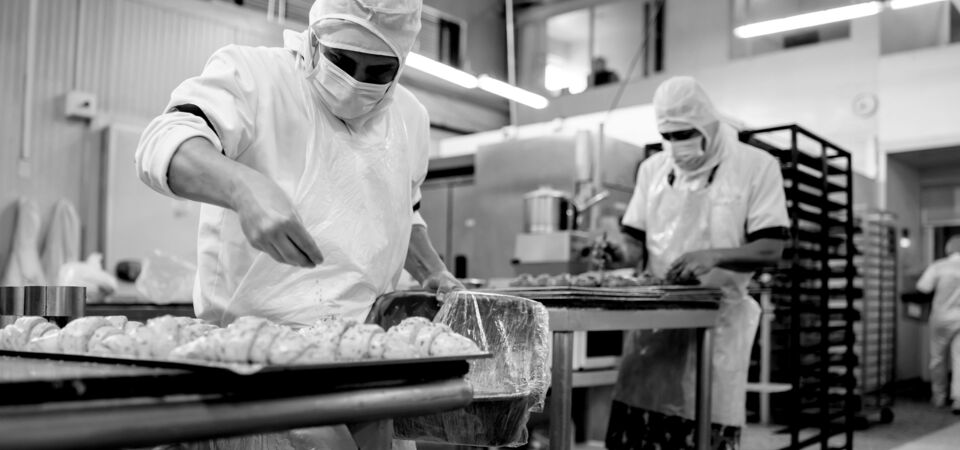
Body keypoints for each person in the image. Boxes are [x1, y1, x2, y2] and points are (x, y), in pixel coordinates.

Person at [136, 0, 458, 447]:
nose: (355, 83)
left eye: (378, 72)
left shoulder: (411, 118)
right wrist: (242, 187)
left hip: (366, 358)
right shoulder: (253, 77)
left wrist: (433, 271)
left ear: (402, 63)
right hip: (255, 366)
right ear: (313, 39)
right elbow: (162, 143)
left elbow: (404, 209)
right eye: (342, 61)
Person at [605, 76, 789, 450]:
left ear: (708, 123)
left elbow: (771, 248)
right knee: (643, 426)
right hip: (654, 327)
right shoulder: (653, 169)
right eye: (668, 135)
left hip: (717, 323)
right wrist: (616, 252)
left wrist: (713, 255)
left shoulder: (756, 166)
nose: (676, 144)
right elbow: (634, 244)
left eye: (684, 133)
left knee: (706, 428)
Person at [916, 236, 960, 414]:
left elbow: (923, 289)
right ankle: (958, 400)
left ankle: (939, 397)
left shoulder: (939, 266)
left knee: (937, 359)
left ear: (948, 249)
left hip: (941, 317)